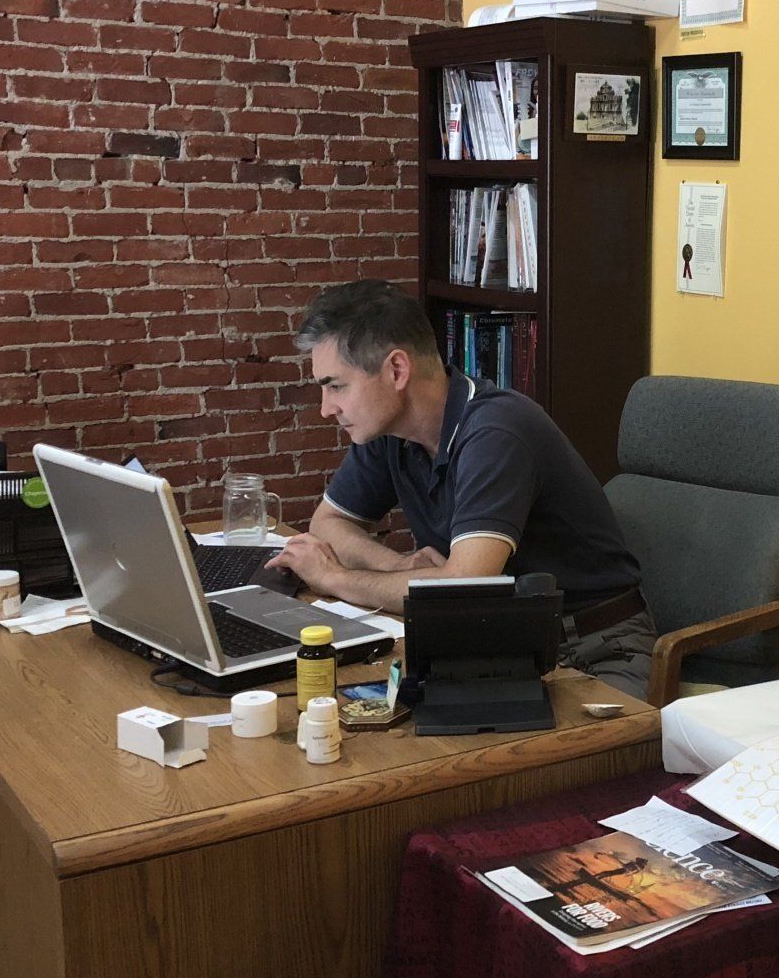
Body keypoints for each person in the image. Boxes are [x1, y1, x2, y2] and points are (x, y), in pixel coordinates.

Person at [265, 280, 658, 699]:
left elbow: (464, 584)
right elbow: (327, 523)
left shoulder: (496, 431)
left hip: (594, 652)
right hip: (493, 642)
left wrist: (335, 578)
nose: (327, 408)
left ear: (396, 370)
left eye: (336, 386)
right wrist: (398, 566)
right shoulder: (389, 431)